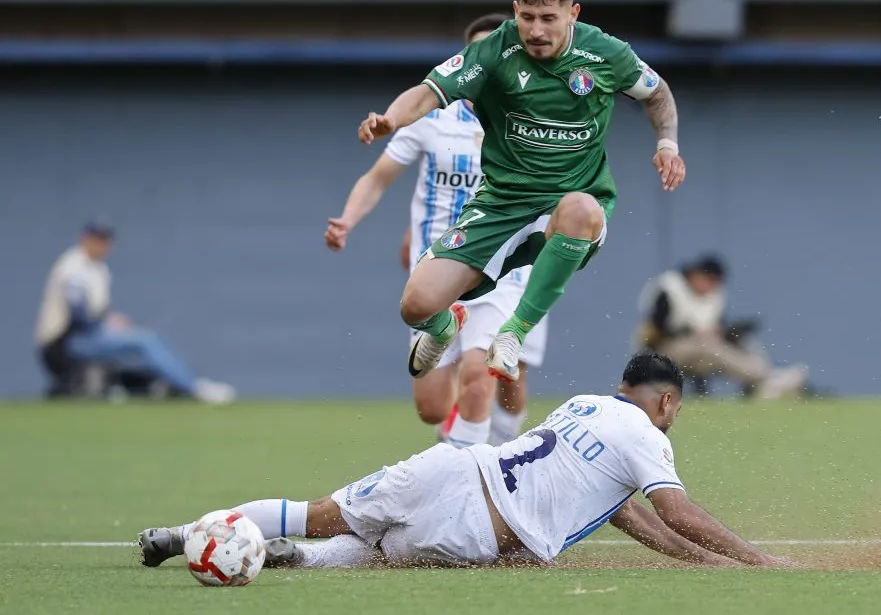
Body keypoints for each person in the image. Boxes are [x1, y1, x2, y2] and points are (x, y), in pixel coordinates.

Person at [327, 0, 686, 385]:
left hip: (571, 206)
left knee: (580, 208)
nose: (536, 30)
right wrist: (391, 120)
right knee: (416, 304)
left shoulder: (606, 54)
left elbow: (657, 92)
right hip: (502, 204)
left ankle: (513, 334)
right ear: (516, 9)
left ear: (573, 13)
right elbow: (428, 93)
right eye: (527, 17)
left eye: (549, 18)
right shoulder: (495, 51)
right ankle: (445, 327)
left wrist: (667, 143)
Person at [138, 353, 795, 570]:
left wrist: (702, 560)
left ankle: (188, 532)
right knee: (385, 554)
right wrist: (754, 559)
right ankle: (294, 559)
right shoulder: (649, 434)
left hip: (452, 466)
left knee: (321, 513)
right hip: (481, 525)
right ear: (668, 400)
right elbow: (672, 510)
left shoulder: (583, 405)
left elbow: (620, 508)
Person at [325, 14, 547, 447]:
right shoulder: (435, 119)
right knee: (432, 404)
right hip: (440, 267)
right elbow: (377, 178)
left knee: (486, 380)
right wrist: (347, 220)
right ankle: (473, 450)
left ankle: (483, 478)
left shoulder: (532, 120)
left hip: (501, 267)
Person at [34, 219, 236, 403]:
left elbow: (92, 311)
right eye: (98, 239)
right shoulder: (74, 266)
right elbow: (78, 315)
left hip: (81, 337)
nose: (103, 244)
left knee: (149, 339)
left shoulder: (96, 267)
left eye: (106, 240)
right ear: (85, 239)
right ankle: (194, 388)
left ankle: (177, 383)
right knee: (146, 341)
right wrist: (104, 325)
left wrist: (109, 320)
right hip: (63, 344)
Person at [635, 255, 808, 399]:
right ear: (696, 274)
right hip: (660, 352)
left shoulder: (714, 294)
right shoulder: (670, 287)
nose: (711, 286)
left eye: (715, 282)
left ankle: (765, 380)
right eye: (708, 280)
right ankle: (766, 379)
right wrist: (694, 333)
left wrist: (729, 332)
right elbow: (653, 332)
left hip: (700, 352)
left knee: (744, 344)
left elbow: (716, 326)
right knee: (710, 346)